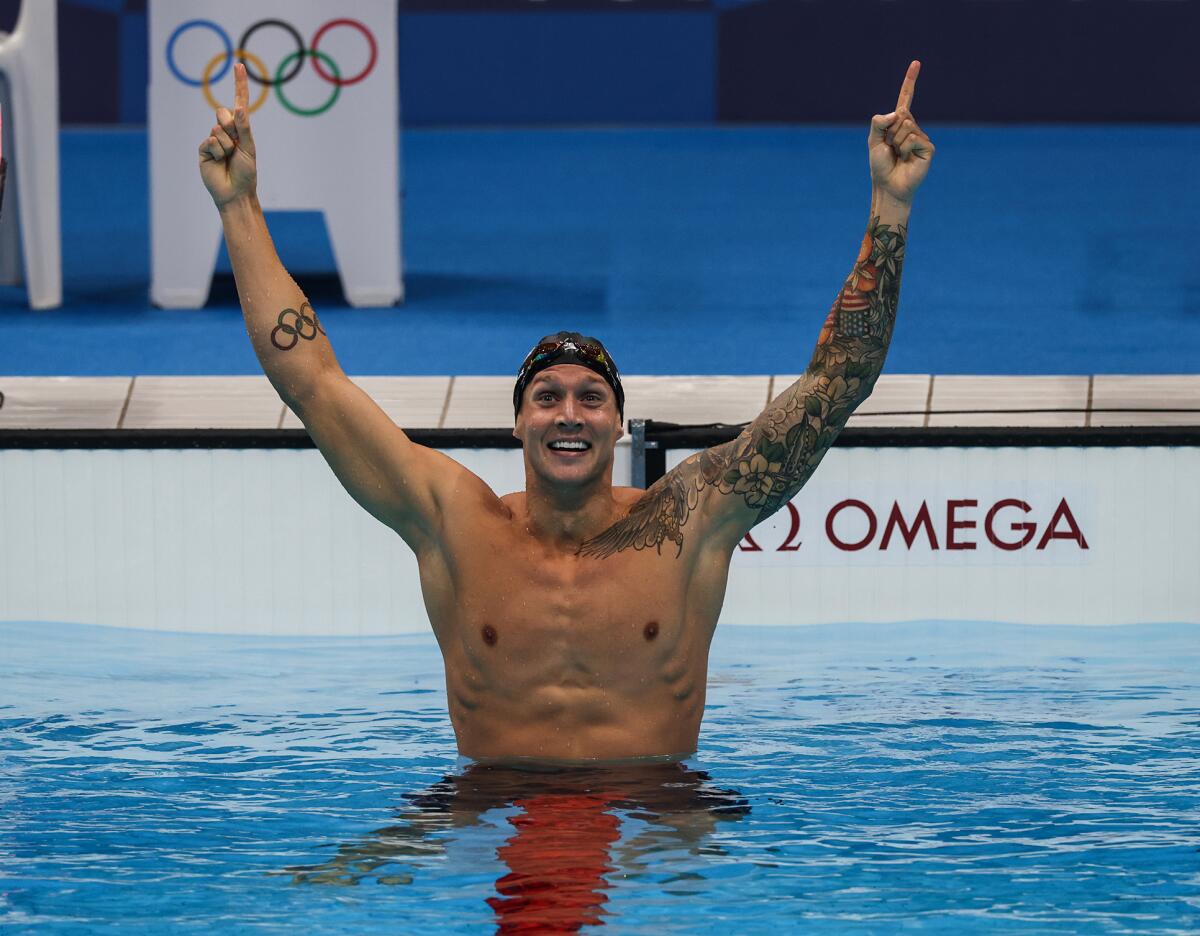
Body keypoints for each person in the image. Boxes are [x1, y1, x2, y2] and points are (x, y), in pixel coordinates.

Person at [199, 60, 934, 765]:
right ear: (517, 423)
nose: (569, 414)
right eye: (546, 398)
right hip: (495, 801)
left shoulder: (693, 516)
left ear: (619, 423)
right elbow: (313, 383)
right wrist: (239, 206)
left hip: (653, 806)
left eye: (591, 398)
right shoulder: (452, 520)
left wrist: (890, 204)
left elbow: (839, 381)